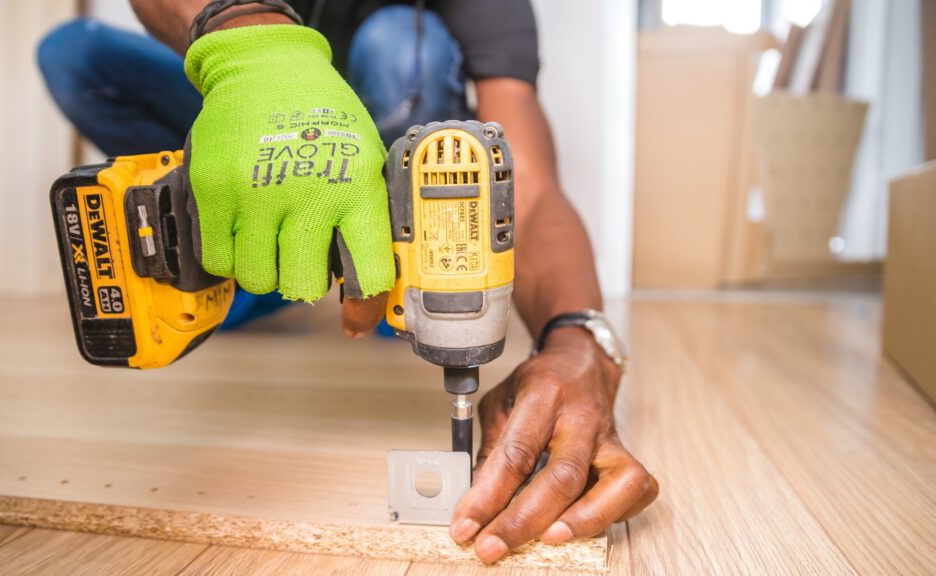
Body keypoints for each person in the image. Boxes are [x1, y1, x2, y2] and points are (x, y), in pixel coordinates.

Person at [37, 0, 658, 563]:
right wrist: (251, 46)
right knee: (77, 54)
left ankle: (379, 269)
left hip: (388, 157)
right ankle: (253, 254)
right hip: (259, 121)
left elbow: (529, 181)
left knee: (399, 44)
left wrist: (578, 337)